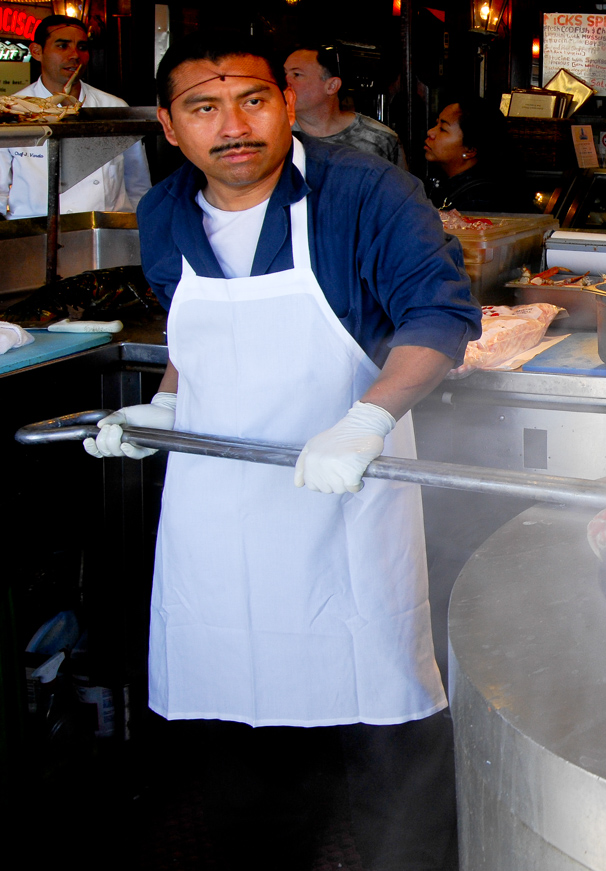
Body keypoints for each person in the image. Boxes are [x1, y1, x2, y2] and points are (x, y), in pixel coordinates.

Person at [82, 31, 480, 871]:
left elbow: (439, 319)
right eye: (204, 108)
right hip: (218, 510)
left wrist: (366, 421)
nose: (233, 125)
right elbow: (194, 337)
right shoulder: (163, 211)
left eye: (253, 100)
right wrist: (162, 407)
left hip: (345, 496)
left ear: (287, 105)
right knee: (236, 725)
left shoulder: (365, 192)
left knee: (380, 722)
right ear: (169, 125)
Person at [0, 15, 151, 219]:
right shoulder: (12, 112)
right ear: (36, 51)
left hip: (105, 233)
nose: (75, 55)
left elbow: (138, 185)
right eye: (62, 46)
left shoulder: (114, 107)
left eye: (82, 47)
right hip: (35, 237)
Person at [285, 44, 407, 169]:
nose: (286, 82)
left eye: (297, 74)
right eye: (285, 74)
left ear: (332, 86)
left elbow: (401, 187)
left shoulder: (379, 140)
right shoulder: (277, 134)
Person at [423, 97, 531, 212]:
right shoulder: (439, 182)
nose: (430, 132)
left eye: (443, 129)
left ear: (470, 150)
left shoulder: (481, 201)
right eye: (436, 124)